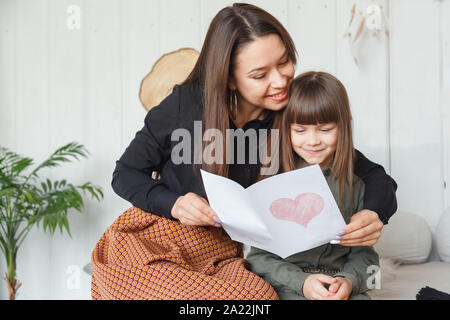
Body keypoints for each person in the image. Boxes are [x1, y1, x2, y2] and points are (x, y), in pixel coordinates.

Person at [91, 3, 396, 300]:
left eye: (284, 61)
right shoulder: (184, 106)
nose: (279, 80)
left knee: (257, 297)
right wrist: (174, 204)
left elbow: (371, 173)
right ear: (229, 79)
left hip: (223, 255)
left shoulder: (289, 117)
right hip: (156, 239)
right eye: (260, 75)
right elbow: (125, 174)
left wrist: (373, 212)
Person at [247, 71, 380, 300]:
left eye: (325, 130)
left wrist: (348, 282)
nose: (312, 141)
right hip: (288, 284)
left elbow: (368, 259)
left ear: (344, 126)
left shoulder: (357, 184)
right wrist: (302, 282)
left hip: (338, 284)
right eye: (300, 130)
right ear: (287, 128)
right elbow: (258, 259)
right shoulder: (272, 182)